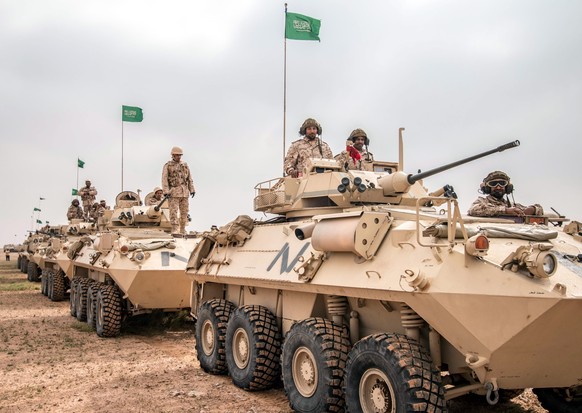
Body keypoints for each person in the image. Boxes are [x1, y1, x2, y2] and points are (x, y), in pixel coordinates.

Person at [468, 171, 544, 217]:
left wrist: (533, 209)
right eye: (493, 184)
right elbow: (473, 210)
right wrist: (505, 211)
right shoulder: (481, 202)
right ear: (487, 188)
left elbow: (539, 209)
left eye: (502, 183)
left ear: (507, 187)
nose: (498, 187)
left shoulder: (512, 205)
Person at [162, 147, 195, 234]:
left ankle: (183, 228)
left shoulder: (184, 165)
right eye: (177, 155)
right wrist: (165, 191)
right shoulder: (168, 165)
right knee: (173, 211)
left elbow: (189, 178)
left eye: (180, 155)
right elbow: (164, 179)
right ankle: (175, 228)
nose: (178, 157)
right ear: (173, 155)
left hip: (184, 192)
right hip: (173, 192)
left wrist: (192, 189)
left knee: (185, 212)